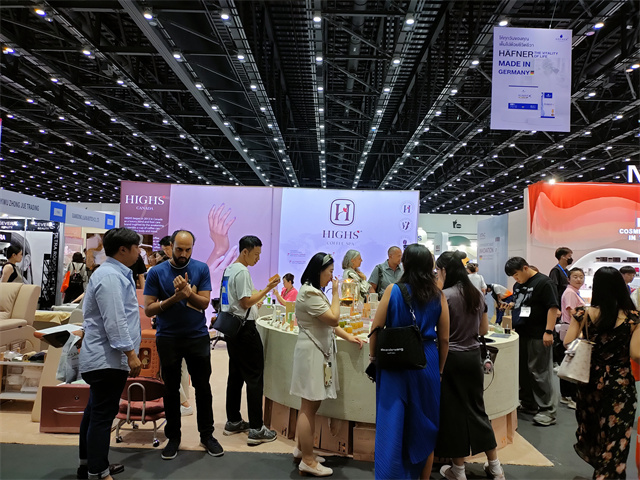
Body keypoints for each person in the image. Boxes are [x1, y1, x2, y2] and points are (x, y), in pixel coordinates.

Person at [369, 243, 450, 479]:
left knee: (391, 425)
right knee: (425, 424)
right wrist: (440, 369)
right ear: (429, 266)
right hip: (427, 361)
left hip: (394, 362)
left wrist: (374, 359)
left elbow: (376, 329)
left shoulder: (393, 291)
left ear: (405, 264)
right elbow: (444, 339)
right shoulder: (438, 295)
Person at [143, 230, 223, 460]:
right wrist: (174, 299)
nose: (183, 254)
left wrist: (187, 293)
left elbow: (205, 302)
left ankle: (207, 435)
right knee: (170, 389)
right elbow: (149, 308)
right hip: (168, 337)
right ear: (171, 246)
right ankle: (173, 438)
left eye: (188, 250)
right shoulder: (156, 272)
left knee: (203, 387)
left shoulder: (201, 268)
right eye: (179, 249)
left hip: (197, 336)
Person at [290, 253, 364, 476]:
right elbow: (333, 318)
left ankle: (302, 450)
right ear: (319, 271)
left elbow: (329, 324)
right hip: (312, 355)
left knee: (311, 406)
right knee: (308, 406)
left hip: (317, 353)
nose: (332, 276)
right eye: (330, 272)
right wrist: (336, 293)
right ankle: (307, 461)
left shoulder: (313, 291)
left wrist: (347, 336)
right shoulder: (310, 293)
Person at [78, 227, 142, 480]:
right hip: (107, 360)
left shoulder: (113, 274)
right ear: (123, 250)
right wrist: (131, 354)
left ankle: (89, 465)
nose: (140, 252)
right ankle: (98, 472)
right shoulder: (111, 277)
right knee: (102, 417)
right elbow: (115, 321)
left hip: (104, 359)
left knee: (95, 412)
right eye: (136, 247)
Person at [564, 266, 640, 480]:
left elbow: (568, 342)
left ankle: (600, 468)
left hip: (589, 380)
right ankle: (607, 473)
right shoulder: (633, 318)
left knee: (594, 429)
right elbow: (636, 354)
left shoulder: (583, 313)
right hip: (619, 383)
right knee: (617, 435)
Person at [434, 251, 505, 480]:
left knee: (453, 413)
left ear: (444, 270)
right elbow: (483, 330)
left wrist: (440, 368)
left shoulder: (444, 296)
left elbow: (441, 335)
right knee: (478, 410)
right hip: (473, 357)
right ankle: (495, 467)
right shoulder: (477, 294)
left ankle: (459, 470)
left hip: (451, 358)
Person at [220, 235, 280, 445]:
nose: (258, 258)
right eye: (256, 254)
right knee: (255, 377)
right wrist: (268, 288)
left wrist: (255, 302)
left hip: (232, 329)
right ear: (245, 252)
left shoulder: (229, 269)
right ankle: (256, 428)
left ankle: (233, 420)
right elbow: (245, 302)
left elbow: (236, 301)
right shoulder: (242, 271)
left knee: (235, 376)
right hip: (245, 330)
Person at [505, 257, 559, 426]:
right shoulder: (518, 285)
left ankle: (547, 410)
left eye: (516, 274)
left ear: (525, 268)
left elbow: (552, 308)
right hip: (521, 332)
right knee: (523, 371)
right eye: (513, 276)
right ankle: (529, 403)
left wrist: (548, 331)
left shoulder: (544, 283)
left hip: (539, 334)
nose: (516, 278)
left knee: (539, 372)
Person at [558, 267, 586, 410]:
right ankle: (571, 397)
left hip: (571, 329)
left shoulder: (574, 292)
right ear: (568, 279)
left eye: (581, 276)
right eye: (575, 276)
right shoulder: (570, 293)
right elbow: (573, 313)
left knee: (568, 361)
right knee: (572, 362)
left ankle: (566, 395)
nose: (579, 279)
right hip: (571, 330)